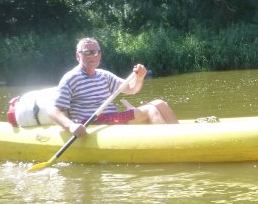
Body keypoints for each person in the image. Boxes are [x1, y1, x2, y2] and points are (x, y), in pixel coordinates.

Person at [47, 37, 178, 138]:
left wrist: (139, 78)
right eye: (87, 52)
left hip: (113, 118)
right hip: (93, 122)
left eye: (96, 52)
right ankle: (171, 143)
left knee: (160, 104)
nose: (93, 55)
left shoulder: (104, 75)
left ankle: (180, 136)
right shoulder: (71, 78)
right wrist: (71, 126)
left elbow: (132, 89)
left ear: (100, 54)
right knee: (150, 109)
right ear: (78, 55)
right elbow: (53, 111)